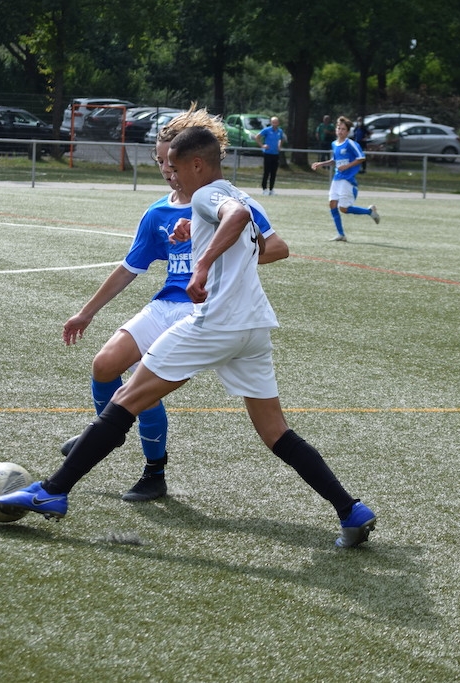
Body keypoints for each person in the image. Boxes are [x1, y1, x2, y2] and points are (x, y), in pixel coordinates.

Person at [0, 126, 377, 549]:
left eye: (174, 168)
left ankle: (53, 491)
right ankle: (351, 510)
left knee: (126, 399)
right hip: (253, 327)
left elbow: (236, 217)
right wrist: (195, 234)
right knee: (276, 432)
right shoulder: (235, 195)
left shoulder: (208, 194)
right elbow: (241, 224)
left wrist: (202, 264)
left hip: (216, 324)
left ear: (197, 165)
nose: (170, 176)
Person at [59, 106, 289, 502]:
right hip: (166, 303)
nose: (166, 169)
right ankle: (107, 433)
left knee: (140, 386)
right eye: (160, 161)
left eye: (171, 161)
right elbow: (129, 268)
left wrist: (222, 258)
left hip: (201, 309)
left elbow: (278, 248)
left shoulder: (226, 200)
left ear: (192, 161)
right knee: (104, 364)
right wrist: (86, 312)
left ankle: (153, 471)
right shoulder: (158, 212)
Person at [310, 116, 380, 242]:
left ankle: (369, 211)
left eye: (343, 129)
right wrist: (322, 163)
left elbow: (361, 158)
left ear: (347, 132)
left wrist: (347, 166)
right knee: (332, 204)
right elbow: (335, 160)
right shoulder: (334, 144)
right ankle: (341, 234)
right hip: (337, 178)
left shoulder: (351, 143)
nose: (340, 131)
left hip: (347, 180)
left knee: (344, 208)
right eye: (338, 128)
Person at [255, 116, 285, 195]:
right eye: (273, 122)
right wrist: (262, 145)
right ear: (271, 123)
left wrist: (279, 146)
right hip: (268, 153)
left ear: (278, 123)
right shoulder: (267, 130)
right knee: (266, 172)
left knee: (273, 173)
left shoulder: (280, 131)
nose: (275, 124)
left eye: (276, 122)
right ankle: (264, 189)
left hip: (275, 154)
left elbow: (282, 139)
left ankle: (271, 189)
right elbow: (257, 137)